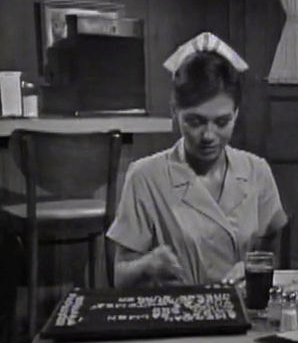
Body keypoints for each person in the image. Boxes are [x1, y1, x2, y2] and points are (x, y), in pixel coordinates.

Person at [107, 32, 288, 288]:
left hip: (243, 308)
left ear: (236, 114)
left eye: (222, 122)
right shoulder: (145, 177)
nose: (208, 136)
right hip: (177, 310)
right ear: (175, 112)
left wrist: (253, 267)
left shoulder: (256, 171)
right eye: (195, 122)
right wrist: (148, 265)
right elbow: (119, 278)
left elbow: (274, 252)